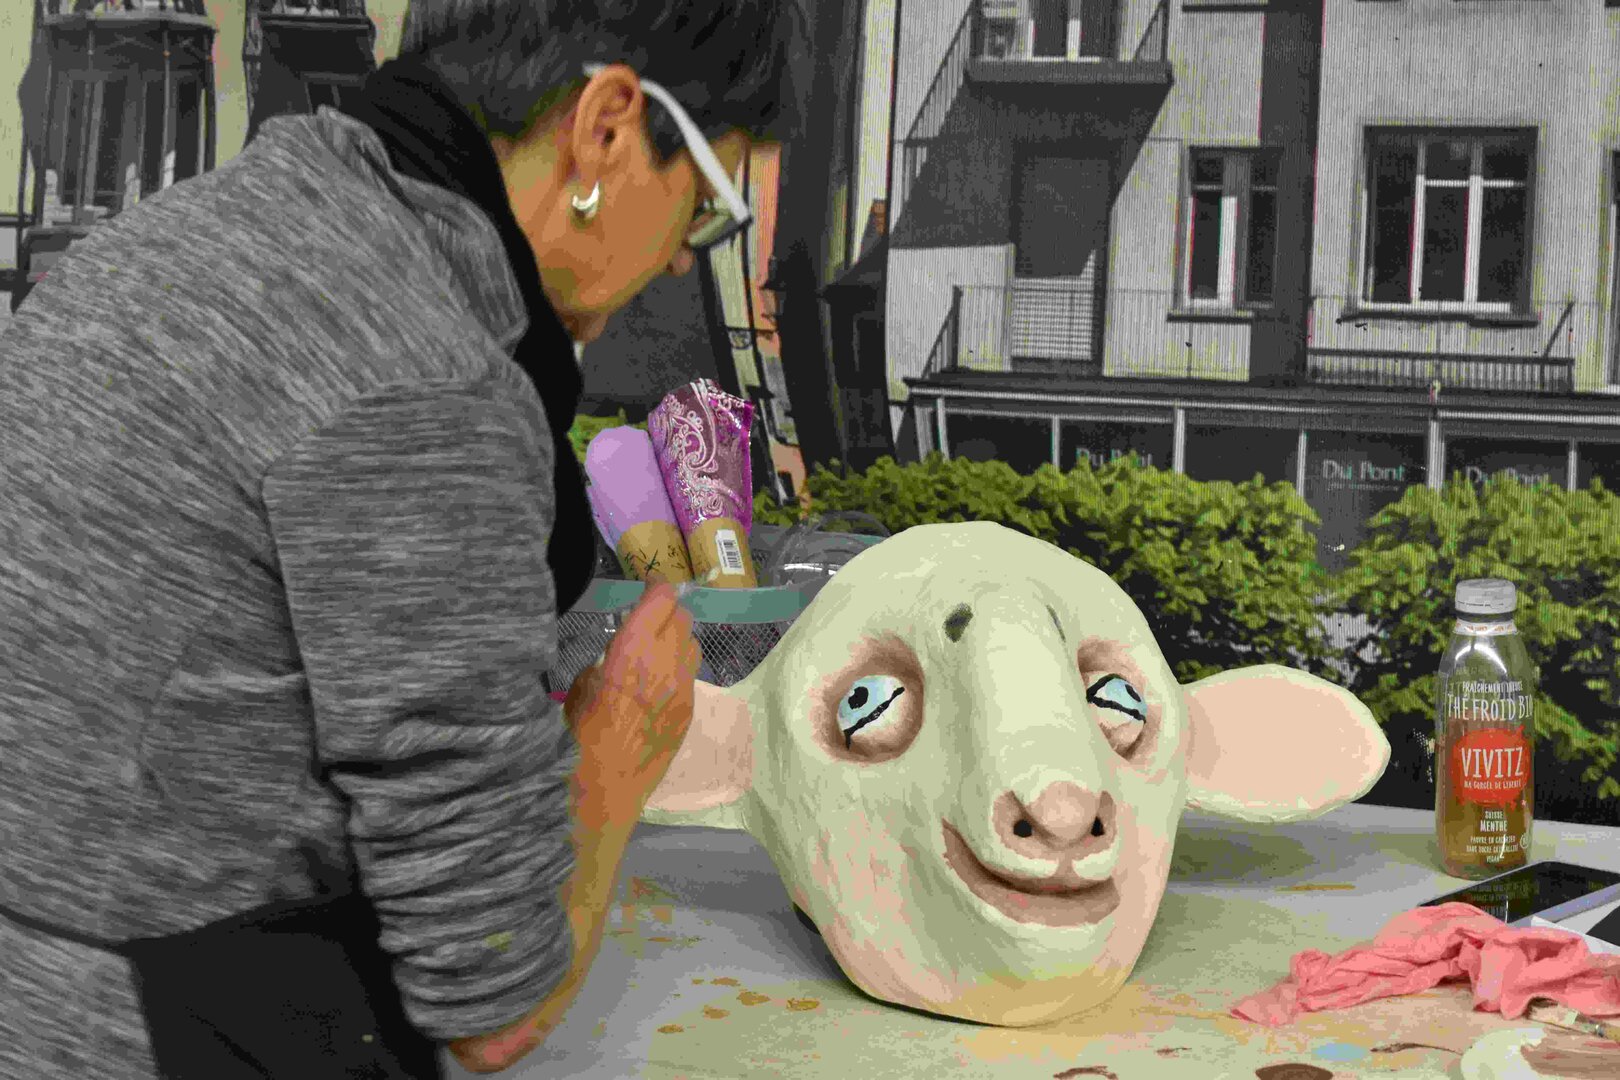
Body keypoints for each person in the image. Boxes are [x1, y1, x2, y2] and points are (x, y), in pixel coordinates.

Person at [0, 0, 802, 1076]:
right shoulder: (427, 383)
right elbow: (493, 997)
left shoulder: (180, 239)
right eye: (703, 210)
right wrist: (616, 751)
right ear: (607, 129)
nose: (675, 265)